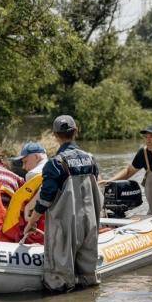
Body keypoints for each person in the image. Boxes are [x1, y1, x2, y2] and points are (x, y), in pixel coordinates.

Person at [24, 115, 102, 292]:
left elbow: (45, 198)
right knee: (89, 279)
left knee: (59, 280)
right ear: (76, 132)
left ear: (55, 135)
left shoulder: (55, 163)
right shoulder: (91, 159)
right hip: (90, 223)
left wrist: (32, 220)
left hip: (65, 225)